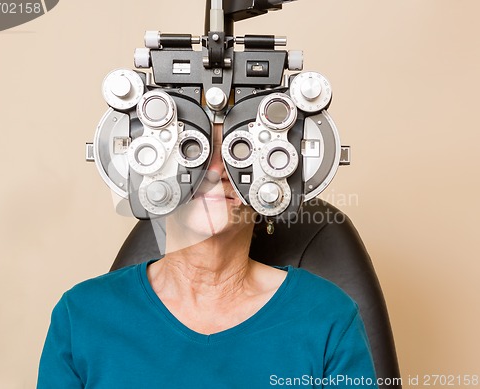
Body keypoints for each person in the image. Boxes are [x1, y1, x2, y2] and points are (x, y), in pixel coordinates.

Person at [37, 125, 378, 388]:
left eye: (239, 150)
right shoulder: (81, 317)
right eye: (192, 148)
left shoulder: (328, 318)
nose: (216, 170)